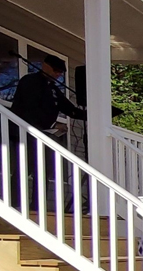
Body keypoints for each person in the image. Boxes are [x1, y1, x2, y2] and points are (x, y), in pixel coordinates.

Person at [8, 54, 86, 212]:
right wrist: (52, 123)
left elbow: (69, 109)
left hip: (42, 135)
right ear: (45, 66)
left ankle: (37, 206)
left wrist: (92, 114)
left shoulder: (53, 88)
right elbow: (30, 109)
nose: (58, 75)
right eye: (56, 70)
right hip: (25, 132)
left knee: (42, 171)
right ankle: (15, 204)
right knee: (23, 169)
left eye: (60, 73)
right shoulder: (30, 81)